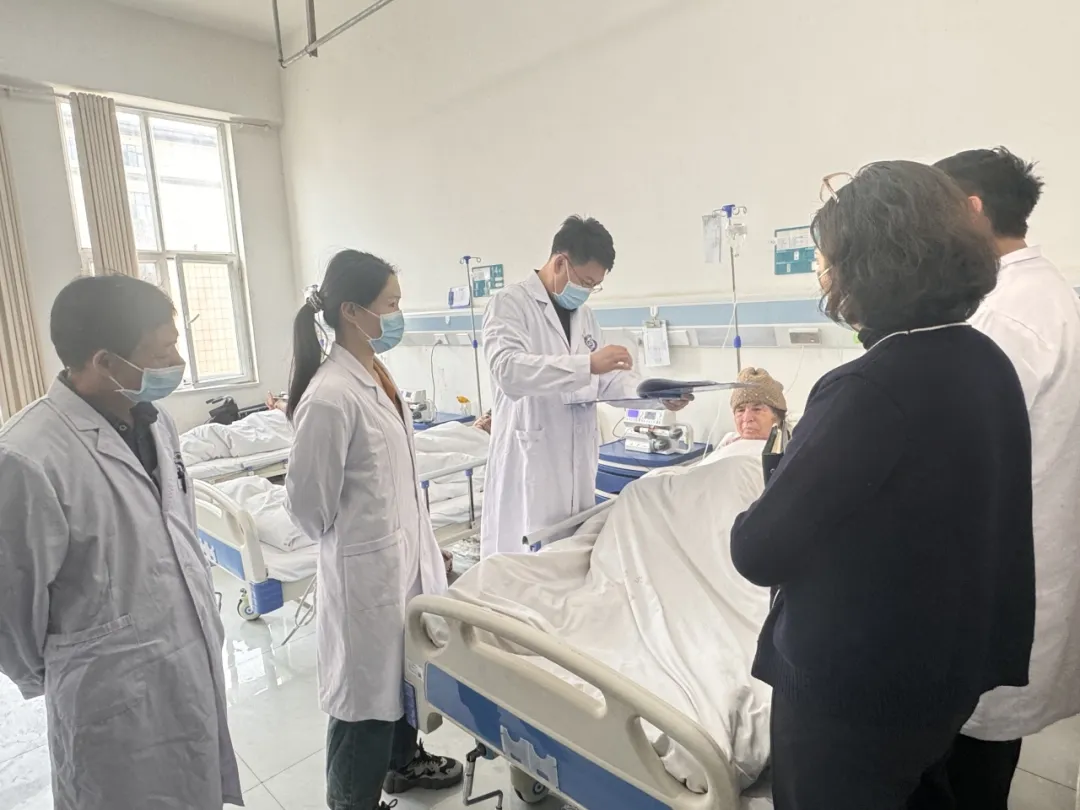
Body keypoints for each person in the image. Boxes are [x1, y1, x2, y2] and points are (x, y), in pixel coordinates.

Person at [730, 162, 1036, 810]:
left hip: (853, 696)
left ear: (867, 268)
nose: (822, 272)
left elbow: (757, 552)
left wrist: (765, 489)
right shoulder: (984, 362)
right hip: (942, 677)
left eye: (827, 259)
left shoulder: (868, 389)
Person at [0, 275, 241, 809]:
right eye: (162, 352)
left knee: (195, 786)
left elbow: (172, 530)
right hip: (107, 695)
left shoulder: (155, 421)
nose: (177, 361)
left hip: (186, 658)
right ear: (104, 361)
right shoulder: (27, 457)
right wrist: (73, 659)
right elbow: (11, 610)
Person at [284, 250, 463, 810]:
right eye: (391, 304)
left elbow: (395, 483)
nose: (397, 315)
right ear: (352, 311)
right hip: (365, 577)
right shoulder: (330, 396)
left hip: (400, 565)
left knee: (402, 679)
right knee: (362, 704)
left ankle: (401, 764)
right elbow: (307, 506)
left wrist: (423, 550)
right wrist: (369, 544)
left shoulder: (376, 376)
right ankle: (350, 802)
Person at [935, 147, 1080, 809]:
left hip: (996, 579)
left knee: (968, 769)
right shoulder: (1051, 295)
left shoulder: (1002, 319)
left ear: (970, 210)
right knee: (989, 761)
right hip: (1033, 571)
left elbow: (953, 460)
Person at [481, 215, 688, 557]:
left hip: (577, 463)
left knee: (569, 558)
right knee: (526, 561)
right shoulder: (510, 304)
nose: (588, 291)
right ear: (560, 262)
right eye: (586, 281)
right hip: (531, 462)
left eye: (595, 285)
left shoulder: (585, 316)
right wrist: (587, 365)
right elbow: (508, 371)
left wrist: (658, 397)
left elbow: (608, 383)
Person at [719, 367, 787, 446]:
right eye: (741, 410)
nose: (747, 418)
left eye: (757, 409)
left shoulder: (790, 447)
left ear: (778, 417)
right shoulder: (728, 443)